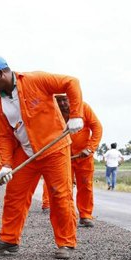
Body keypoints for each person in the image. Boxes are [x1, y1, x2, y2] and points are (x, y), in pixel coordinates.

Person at [0, 55, 84, 259]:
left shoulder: (36, 80)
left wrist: (76, 115)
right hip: (26, 153)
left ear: (1, 74)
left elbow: (72, 82)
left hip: (55, 149)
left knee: (60, 196)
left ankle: (66, 243)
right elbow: (5, 135)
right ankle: (9, 240)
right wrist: (6, 164)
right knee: (14, 195)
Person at [41, 95, 103, 227]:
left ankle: (85, 215)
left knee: (85, 185)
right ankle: (67, 216)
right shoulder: (52, 111)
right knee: (64, 187)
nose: (63, 103)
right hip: (63, 156)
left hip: (84, 156)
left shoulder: (83, 107)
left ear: (71, 98)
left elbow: (97, 127)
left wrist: (90, 148)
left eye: (65, 99)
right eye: (59, 100)